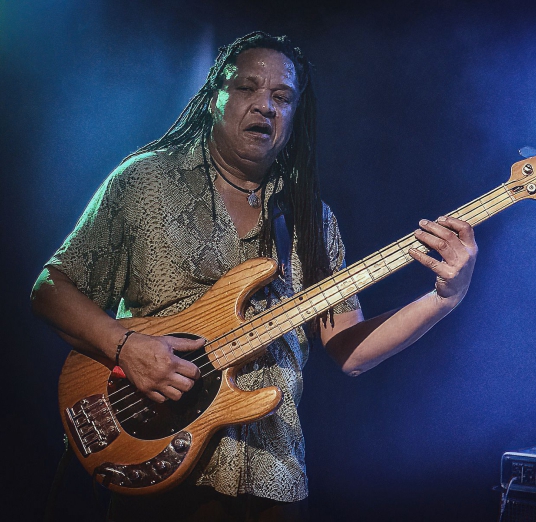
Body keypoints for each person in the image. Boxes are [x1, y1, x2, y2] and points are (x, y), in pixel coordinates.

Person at [30, 32, 477, 521]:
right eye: (247, 88)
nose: (265, 105)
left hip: (273, 476)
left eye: (282, 97)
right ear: (213, 98)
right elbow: (51, 289)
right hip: (155, 461)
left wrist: (444, 298)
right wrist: (125, 347)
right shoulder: (144, 182)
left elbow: (351, 352)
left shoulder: (311, 219)